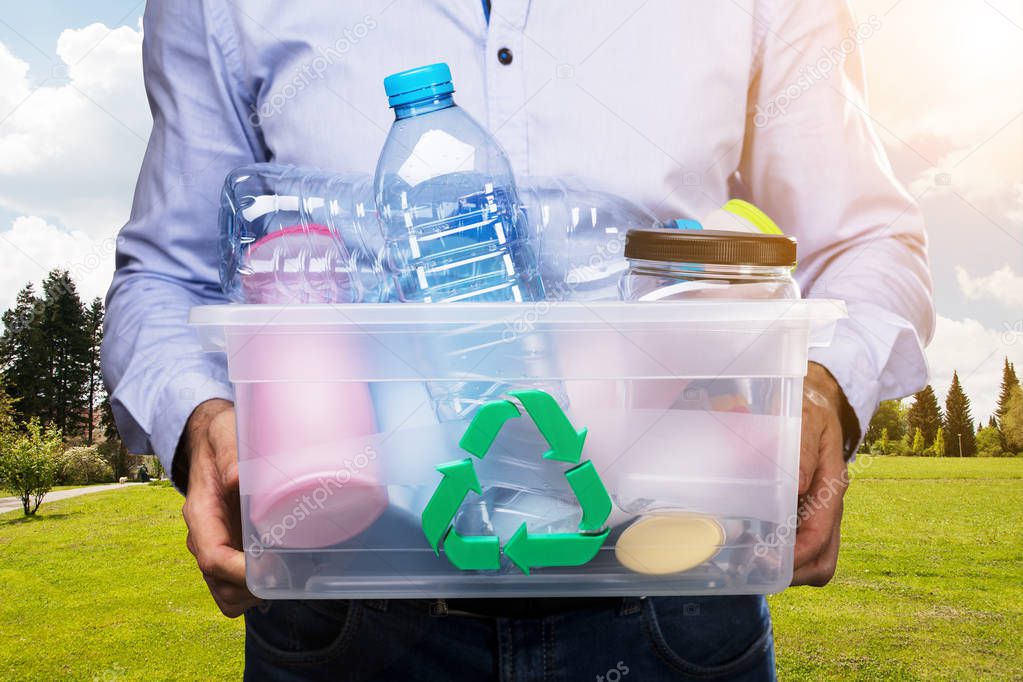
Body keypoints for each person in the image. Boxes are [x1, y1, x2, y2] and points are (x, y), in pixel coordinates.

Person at [102, 2, 933, 679]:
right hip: (350, 598)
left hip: (673, 591)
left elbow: (865, 240)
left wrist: (825, 390)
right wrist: (199, 419)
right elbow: (163, 275)